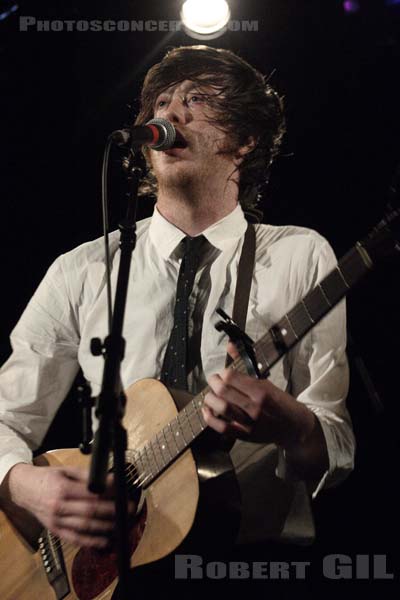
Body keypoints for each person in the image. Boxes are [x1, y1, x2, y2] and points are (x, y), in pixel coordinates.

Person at [0, 45, 354, 583]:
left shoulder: (301, 255)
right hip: (108, 571)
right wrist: (23, 484)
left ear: (244, 138)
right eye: (160, 101)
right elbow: (5, 415)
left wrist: (292, 424)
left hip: (250, 563)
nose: (169, 114)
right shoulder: (82, 269)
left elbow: (336, 442)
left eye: (196, 100)